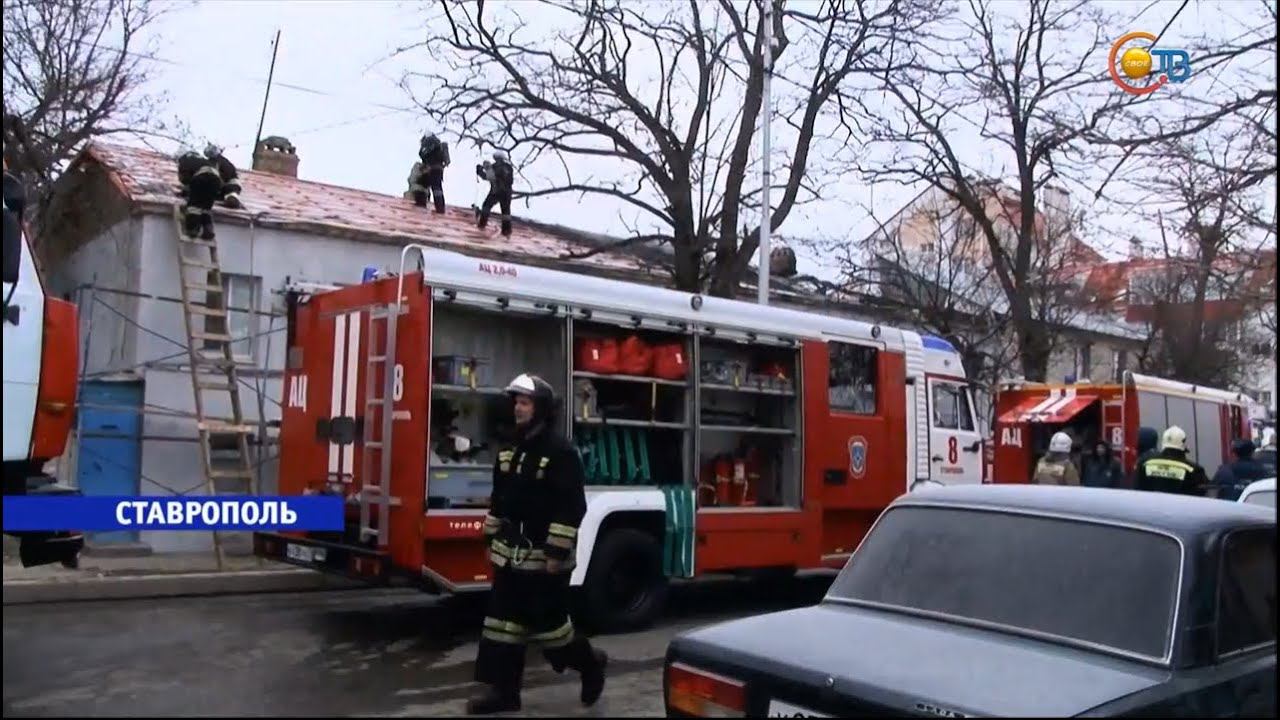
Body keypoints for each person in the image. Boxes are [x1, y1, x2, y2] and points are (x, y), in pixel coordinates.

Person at [467, 373, 607, 715]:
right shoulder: (509, 450)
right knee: (502, 627)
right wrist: (489, 536)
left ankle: (590, 664)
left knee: (552, 633)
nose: (518, 408)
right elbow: (499, 500)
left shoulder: (560, 452)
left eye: (525, 402)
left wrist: (556, 552)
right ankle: (504, 694)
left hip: (544, 560)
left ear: (541, 408)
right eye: (516, 402)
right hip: (510, 555)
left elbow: (571, 506)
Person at [1133, 426, 1210, 496]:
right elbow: (1203, 494)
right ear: (1183, 444)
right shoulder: (1194, 470)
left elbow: (1136, 490)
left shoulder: (1145, 464)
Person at [476, 150, 514, 236]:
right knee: (506, 212)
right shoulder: (509, 167)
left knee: (486, 206)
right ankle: (506, 230)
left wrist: (480, 171)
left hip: (496, 191)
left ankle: (482, 224)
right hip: (507, 193)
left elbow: (488, 177)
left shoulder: (495, 166)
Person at [411, 133, 450, 213]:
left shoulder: (426, 146)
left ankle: (422, 203)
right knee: (436, 188)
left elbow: (423, 157)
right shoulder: (438, 146)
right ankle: (440, 208)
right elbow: (446, 161)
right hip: (438, 169)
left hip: (430, 170)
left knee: (424, 184)